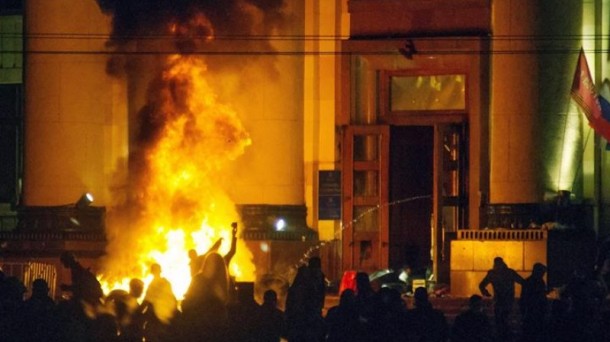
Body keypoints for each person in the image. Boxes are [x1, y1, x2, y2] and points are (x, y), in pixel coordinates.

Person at [478, 256, 524, 340]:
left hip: (502, 300)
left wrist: (485, 292)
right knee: (503, 319)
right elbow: (523, 282)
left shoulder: (495, 273)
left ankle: (502, 336)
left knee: (501, 320)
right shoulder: (508, 273)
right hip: (504, 300)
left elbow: (481, 285)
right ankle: (504, 336)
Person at [519, 263, 549, 342]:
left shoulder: (529, 281)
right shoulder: (539, 282)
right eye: (542, 272)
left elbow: (523, 297)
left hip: (532, 310)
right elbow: (538, 295)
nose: (543, 274)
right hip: (534, 310)